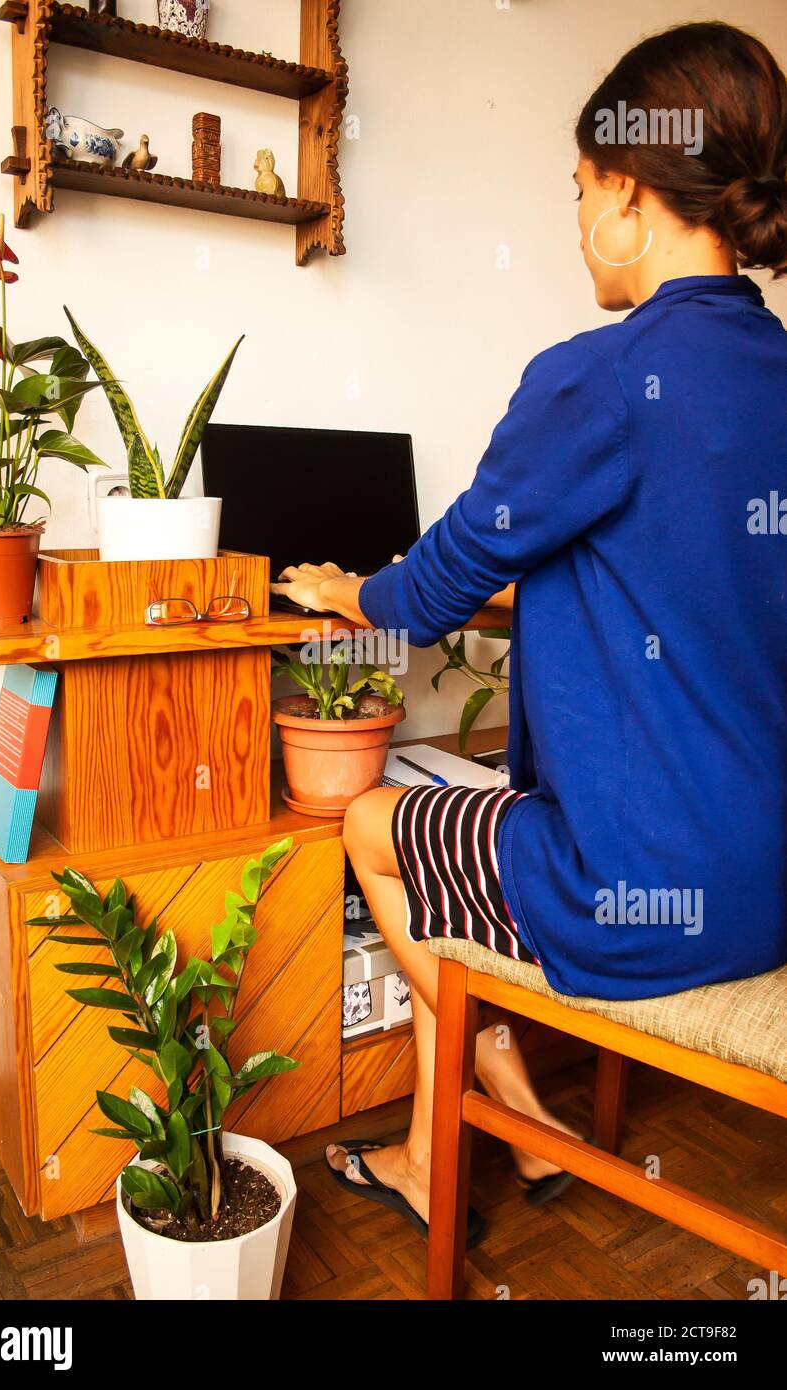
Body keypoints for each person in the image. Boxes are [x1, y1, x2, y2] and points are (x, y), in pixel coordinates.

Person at [272, 22, 787, 1242]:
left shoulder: (601, 373)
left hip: (641, 889)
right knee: (471, 783)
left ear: (630, 190)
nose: (573, 224)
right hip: (767, 875)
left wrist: (354, 594)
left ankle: (480, 1112)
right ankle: (445, 1130)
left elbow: (442, 577)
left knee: (368, 820)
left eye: (575, 190)